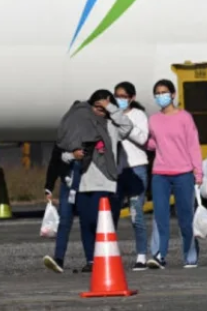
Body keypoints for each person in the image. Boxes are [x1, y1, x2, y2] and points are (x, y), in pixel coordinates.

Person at [44, 90, 112, 273]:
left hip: (89, 182)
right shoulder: (68, 134)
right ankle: (59, 258)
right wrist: (49, 186)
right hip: (70, 181)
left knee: (88, 221)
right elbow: (56, 158)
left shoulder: (104, 129)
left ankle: (93, 259)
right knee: (66, 220)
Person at [70, 90, 133, 273]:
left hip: (106, 183)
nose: (99, 111)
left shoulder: (112, 128)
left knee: (102, 223)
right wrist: (72, 155)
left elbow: (127, 126)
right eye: (96, 108)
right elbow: (65, 152)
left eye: (102, 108)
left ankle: (105, 257)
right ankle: (90, 259)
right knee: (86, 223)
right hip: (84, 182)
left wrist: (110, 107)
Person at [146, 79, 204, 269]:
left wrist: (198, 172)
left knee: (185, 217)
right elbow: (153, 143)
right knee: (160, 216)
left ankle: (190, 255)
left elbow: (193, 145)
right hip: (160, 173)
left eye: (164, 92)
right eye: (157, 93)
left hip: (183, 173)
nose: (161, 96)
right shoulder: (153, 120)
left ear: (172, 94)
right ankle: (158, 255)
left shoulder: (185, 117)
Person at [112, 82, 151, 270]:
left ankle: (142, 255)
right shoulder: (111, 117)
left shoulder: (138, 115)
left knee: (136, 214)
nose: (120, 99)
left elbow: (143, 139)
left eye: (123, 96)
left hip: (137, 168)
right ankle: (109, 255)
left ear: (132, 98)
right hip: (118, 171)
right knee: (112, 215)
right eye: (116, 96)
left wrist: (125, 127)